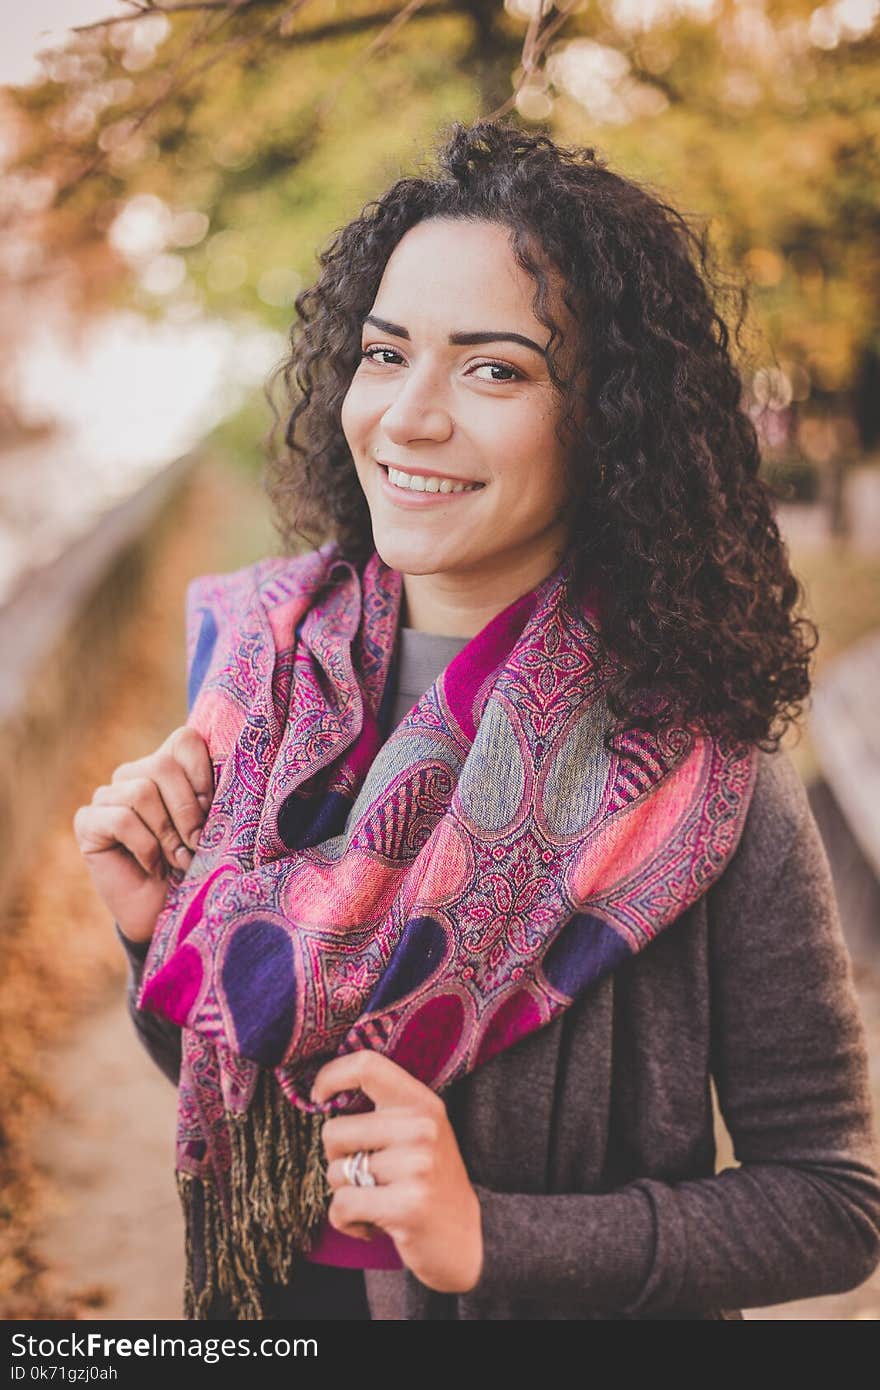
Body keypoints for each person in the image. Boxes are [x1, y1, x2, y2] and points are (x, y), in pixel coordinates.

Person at [73, 119, 880, 1321]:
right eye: (386, 353)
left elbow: (831, 1202)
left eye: (494, 369)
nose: (407, 418)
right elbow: (239, 1085)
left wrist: (491, 1235)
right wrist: (156, 936)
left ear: (606, 420)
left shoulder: (696, 762)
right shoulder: (260, 683)